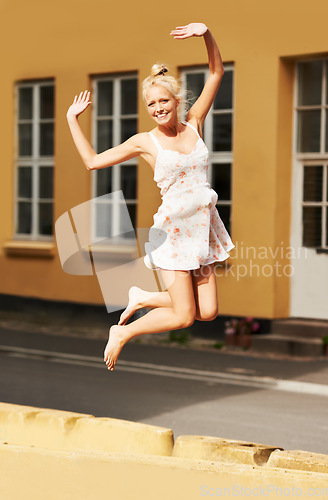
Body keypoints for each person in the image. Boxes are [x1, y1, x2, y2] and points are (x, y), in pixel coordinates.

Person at [66, 22, 235, 371]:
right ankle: (122, 332)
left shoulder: (194, 123)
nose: (158, 108)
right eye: (151, 103)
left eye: (163, 101)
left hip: (202, 229)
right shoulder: (146, 141)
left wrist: (206, 34)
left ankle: (142, 296)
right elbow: (92, 162)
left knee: (208, 311)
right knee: (185, 315)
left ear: (176, 100)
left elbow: (217, 72)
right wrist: (72, 119)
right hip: (174, 234)